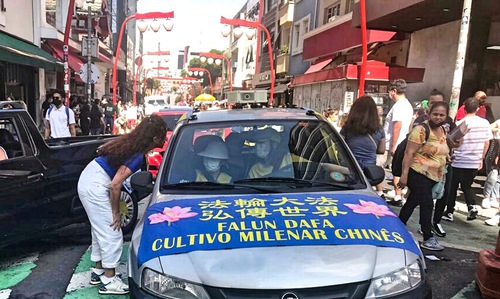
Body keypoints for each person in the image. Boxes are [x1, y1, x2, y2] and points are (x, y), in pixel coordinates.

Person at [77, 114, 167, 295]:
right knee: (112, 232)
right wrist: (116, 212)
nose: (165, 138)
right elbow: (115, 185)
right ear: (155, 138)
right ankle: (109, 280)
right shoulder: (137, 155)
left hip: (88, 180)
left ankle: (98, 270)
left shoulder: (131, 144)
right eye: (163, 135)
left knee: (99, 229)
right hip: (96, 186)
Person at [397, 102, 450, 251]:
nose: (438, 117)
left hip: (434, 174)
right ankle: (428, 236)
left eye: (441, 115)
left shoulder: (442, 130)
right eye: (435, 114)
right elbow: (409, 153)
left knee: (413, 201)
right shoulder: (420, 130)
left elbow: (441, 149)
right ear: (429, 113)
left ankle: (399, 225)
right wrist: (404, 175)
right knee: (427, 203)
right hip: (418, 172)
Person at [442, 98, 493, 222]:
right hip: (474, 160)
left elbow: (453, 141)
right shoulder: (485, 123)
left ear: (464, 109)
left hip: (459, 160)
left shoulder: (461, 122)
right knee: (467, 185)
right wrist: (481, 157)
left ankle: (449, 212)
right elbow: (487, 142)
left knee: (453, 187)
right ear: (477, 109)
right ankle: (471, 205)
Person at [340, 96, 385, 196]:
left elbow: (339, 145)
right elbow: (381, 150)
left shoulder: (348, 128)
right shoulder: (379, 129)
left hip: (350, 165)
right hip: (369, 168)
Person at [381, 79, 414, 206]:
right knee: (397, 169)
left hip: (394, 143)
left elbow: (397, 126)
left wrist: (393, 145)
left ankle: (398, 196)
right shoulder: (407, 105)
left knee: (395, 170)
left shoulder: (400, 106)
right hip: (400, 142)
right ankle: (398, 195)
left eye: (390, 91)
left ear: (394, 91)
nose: (389, 94)